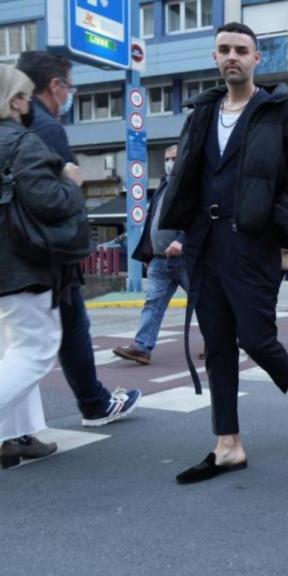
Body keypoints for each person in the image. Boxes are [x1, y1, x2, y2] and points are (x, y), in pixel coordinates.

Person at [158, 22, 288, 484]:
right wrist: (178, 228)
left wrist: (273, 226)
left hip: (251, 245)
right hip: (204, 244)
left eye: (240, 50)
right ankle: (227, 444)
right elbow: (184, 179)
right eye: (223, 50)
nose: (231, 56)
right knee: (216, 345)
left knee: (255, 337)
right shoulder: (200, 113)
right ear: (215, 58)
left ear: (257, 59)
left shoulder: (280, 115)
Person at [16, 51, 142, 427]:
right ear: (55, 86)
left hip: (21, 253)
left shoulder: (15, 124)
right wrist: (74, 185)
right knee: (48, 343)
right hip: (44, 253)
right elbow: (53, 196)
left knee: (23, 343)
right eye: (70, 87)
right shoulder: (45, 128)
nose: (69, 95)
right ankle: (94, 404)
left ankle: (22, 431)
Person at [0, 65, 86, 467]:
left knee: (13, 349)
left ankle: (14, 436)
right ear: (14, 100)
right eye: (25, 95)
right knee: (34, 350)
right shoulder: (21, 141)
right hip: (21, 264)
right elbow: (49, 202)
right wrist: (70, 181)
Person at [113, 146, 187, 365]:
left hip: (186, 259)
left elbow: (199, 220)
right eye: (167, 158)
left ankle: (221, 341)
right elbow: (151, 223)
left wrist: (182, 241)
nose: (170, 162)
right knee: (152, 303)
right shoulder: (163, 186)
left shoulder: (190, 186)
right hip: (159, 259)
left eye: (174, 158)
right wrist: (149, 256)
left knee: (205, 303)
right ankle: (142, 347)